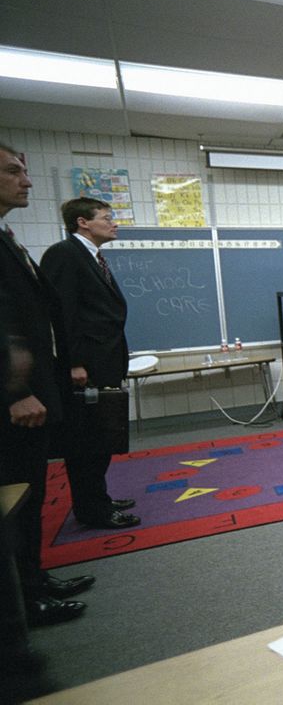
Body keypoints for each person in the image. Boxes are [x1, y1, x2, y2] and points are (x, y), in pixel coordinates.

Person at [0, 141, 95, 626]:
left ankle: (34, 581)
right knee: (15, 501)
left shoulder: (7, 237)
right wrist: (14, 391)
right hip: (15, 401)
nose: (28, 180)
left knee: (32, 494)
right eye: (15, 171)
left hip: (36, 391)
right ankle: (22, 600)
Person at [40, 198, 139, 529]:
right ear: (83, 222)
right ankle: (92, 510)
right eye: (107, 218)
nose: (114, 224)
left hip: (105, 359)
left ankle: (99, 498)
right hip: (86, 366)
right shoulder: (64, 254)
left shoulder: (93, 257)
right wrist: (74, 363)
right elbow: (61, 314)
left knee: (101, 437)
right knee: (86, 441)